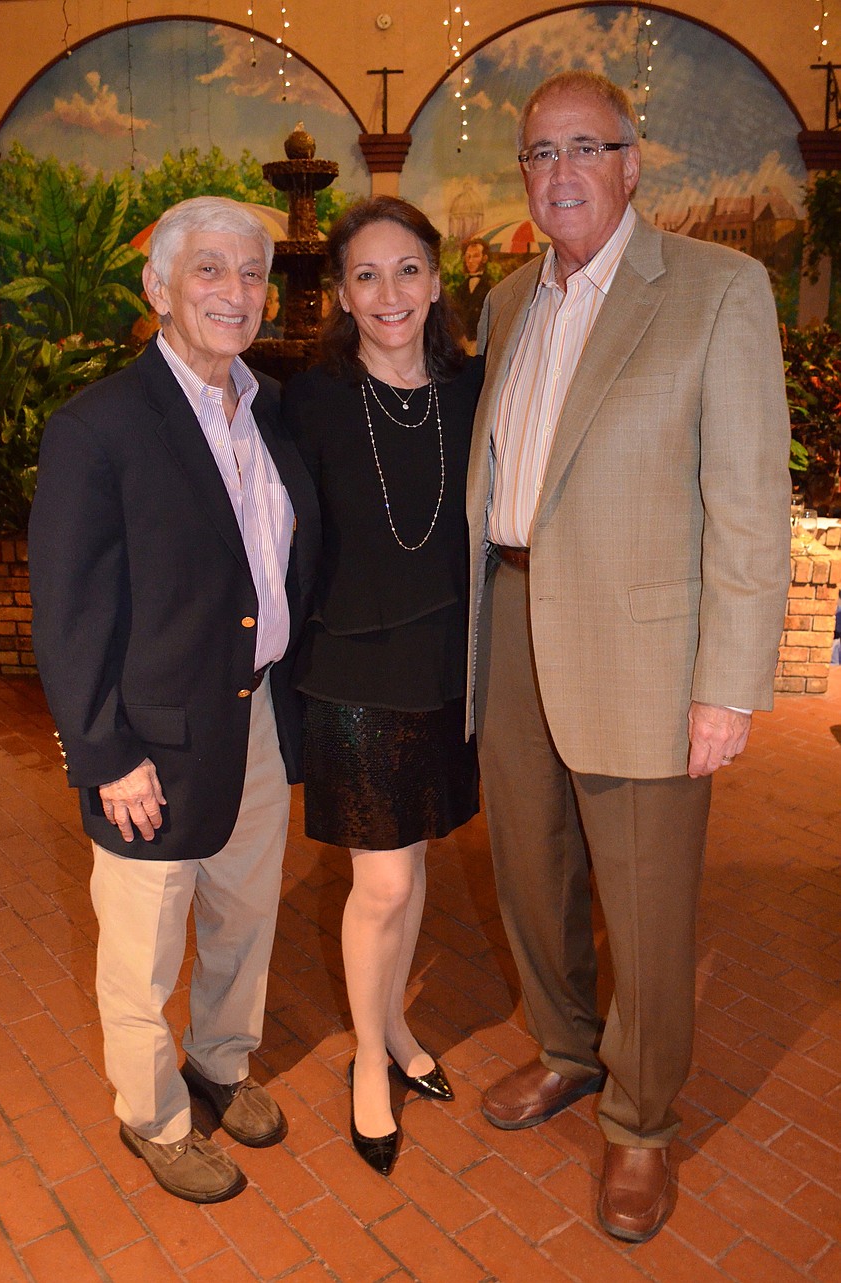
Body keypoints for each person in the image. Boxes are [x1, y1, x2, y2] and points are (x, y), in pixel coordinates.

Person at [466, 71, 791, 1242]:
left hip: (644, 648)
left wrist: (727, 683)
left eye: (582, 148)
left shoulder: (716, 291)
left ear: (631, 162)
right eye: (537, 153)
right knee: (529, 866)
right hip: (509, 619)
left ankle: (642, 1123)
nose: (558, 174)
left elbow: (749, 503)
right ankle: (563, 1048)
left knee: (646, 904)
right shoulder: (508, 300)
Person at [28, 196, 320, 1204]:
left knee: (244, 918)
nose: (235, 291)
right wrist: (105, 751)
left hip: (258, 719)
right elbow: (68, 611)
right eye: (209, 270)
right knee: (143, 947)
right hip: (150, 741)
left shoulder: (272, 406)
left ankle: (221, 1063)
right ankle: (153, 1112)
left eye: (250, 272)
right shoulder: (97, 427)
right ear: (159, 288)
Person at [282, 196, 481, 1176]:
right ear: (342, 295)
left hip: (449, 669)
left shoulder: (473, 389)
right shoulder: (308, 401)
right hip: (353, 672)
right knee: (385, 878)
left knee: (415, 868)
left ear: (437, 282)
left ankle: (393, 1025)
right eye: (366, 274)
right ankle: (370, 1056)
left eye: (407, 269)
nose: (389, 291)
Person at [454, 237, 492, 347]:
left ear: (484, 258)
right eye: (468, 256)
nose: (470, 261)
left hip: (483, 343)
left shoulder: (491, 287)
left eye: (475, 256)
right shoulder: (461, 288)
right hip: (463, 343)